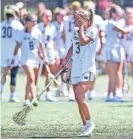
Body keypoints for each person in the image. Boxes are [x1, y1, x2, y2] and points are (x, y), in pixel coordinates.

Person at [61, 9, 98, 136]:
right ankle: (85, 126)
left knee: (78, 95)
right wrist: (66, 59)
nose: (75, 21)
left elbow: (83, 41)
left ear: (86, 20)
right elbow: (74, 45)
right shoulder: (76, 30)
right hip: (76, 67)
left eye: (78, 19)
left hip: (87, 68)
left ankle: (90, 124)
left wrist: (81, 26)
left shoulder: (93, 30)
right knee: (79, 99)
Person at [11, 14, 45, 106]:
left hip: (35, 59)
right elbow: (17, 46)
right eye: (33, 20)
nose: (35, 22)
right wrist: (13, 59)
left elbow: (41, 45)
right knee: (31, 78)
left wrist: (43, 55)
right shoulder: (21, 32)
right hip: (25, 60)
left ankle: (26, 99)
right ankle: (34, 98)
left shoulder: (37, 32)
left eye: (35, 20)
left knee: (30, 80)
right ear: (27, 23)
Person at [1, 5, 24, 102]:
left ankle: (1, 88)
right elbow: (20, 41)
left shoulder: (1, 24)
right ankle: (11, 95)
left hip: (3, 52)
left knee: (4, 73)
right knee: (13, 74)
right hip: (14, 52)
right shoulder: (18, 24)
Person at [84, 0, 106, 100]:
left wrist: (101, 47)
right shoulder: (83, 18)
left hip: (94, 47)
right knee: (82, 70)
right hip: (84, 46)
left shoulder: (98, 19)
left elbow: (101, 34)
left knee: (93, 70)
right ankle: (84, 89)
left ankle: (92, 90)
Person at [37, 9, 60, 102]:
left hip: (49, 52)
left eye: (50, 16)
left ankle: (47, 94)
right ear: (42, 17)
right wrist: (40, 53)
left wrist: (55, 54)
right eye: (47, 16)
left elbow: (53, 41)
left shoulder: (52, 27)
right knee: (36, 73)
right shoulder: (37, 27)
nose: (49, 18)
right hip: (39, 53)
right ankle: (33, 93)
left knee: (49, 74)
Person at [104, 5, 126, 102]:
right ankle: (111, 94)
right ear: (112, 13)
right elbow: (124, 31)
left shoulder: (118, 22)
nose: (119, 15)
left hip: (118, 50)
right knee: (113, 74)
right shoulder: (111, 23)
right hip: (111, 51)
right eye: (117, 13)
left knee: (117, 73)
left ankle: (114, 94)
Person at [62, 1, 82, 101]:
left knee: (69, 69)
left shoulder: (66, 19)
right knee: (71, 69)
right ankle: (69, 90)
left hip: (70, 45)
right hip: (73, 46)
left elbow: (63, 35)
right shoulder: (76, 20)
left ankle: (66, 88)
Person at [121, 7, 133, 95]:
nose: (129, 15)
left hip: (132, 50)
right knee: (121, 71)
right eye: (127, 13)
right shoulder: (121, 24)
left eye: (130, 13)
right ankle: (122, 88)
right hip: (123, 49)